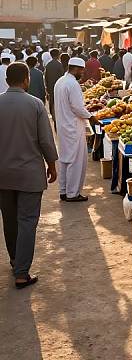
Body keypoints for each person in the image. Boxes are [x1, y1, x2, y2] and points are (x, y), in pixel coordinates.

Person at [0, 62, 58, 288]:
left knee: (9, 219)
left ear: (6, 80)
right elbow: (46, 140)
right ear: (26, 79)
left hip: (3, 174)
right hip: (29, 174)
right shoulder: (35, 104)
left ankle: (16, 260)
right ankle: (22, 272)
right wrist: (52, 165)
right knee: (27, 221)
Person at [54, 57, 99, 202]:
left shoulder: (60, 81)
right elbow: (78, 107)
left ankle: (64, 190)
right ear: (77, 69)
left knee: (65, 159)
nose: (83, 73)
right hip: (73, 126)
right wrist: (91, 117)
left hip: (63, 126)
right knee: (76, 160)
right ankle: (72, 193)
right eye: (82, 70)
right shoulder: (72, 84)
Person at [44, 48, 65, 123]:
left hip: (50, 85)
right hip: (58, 86)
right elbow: (62, 76)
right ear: (58, 55)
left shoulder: (48, 64)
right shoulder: (59, 64)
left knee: (51, 100)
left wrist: (46, 87)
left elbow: (45, 77)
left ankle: (53, 115)